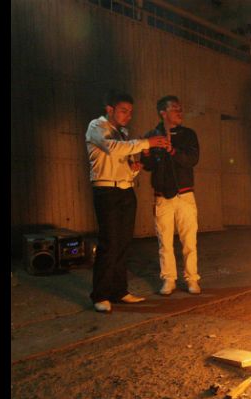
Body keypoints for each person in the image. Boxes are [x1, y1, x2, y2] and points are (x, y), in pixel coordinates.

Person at [85, 90, 170, 313]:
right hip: (106, 191)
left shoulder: (123, 133)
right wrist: (146, 143)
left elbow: (125, 159)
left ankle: (119, 291)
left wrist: (134, 169)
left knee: (123, 243)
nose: (128, 116)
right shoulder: (97, 127)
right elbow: (111, 149)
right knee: (109, 243)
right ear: (109, 109)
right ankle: (100, 295)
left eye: (131, 112)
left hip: (125, 191)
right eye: (123, 111)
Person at [140, 95, 201, 296]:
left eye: (180, 108)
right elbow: (148, 166)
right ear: (163, 113)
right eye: (174, 108)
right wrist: (146, 152)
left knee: (189, 240)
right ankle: (169, 279)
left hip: (185, 195)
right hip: (162, 196)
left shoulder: (188, 135)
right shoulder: (152, 135)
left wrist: (172, 149)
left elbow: (192, 159)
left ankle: (192, 279)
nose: (179, 112)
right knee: (164, 241)